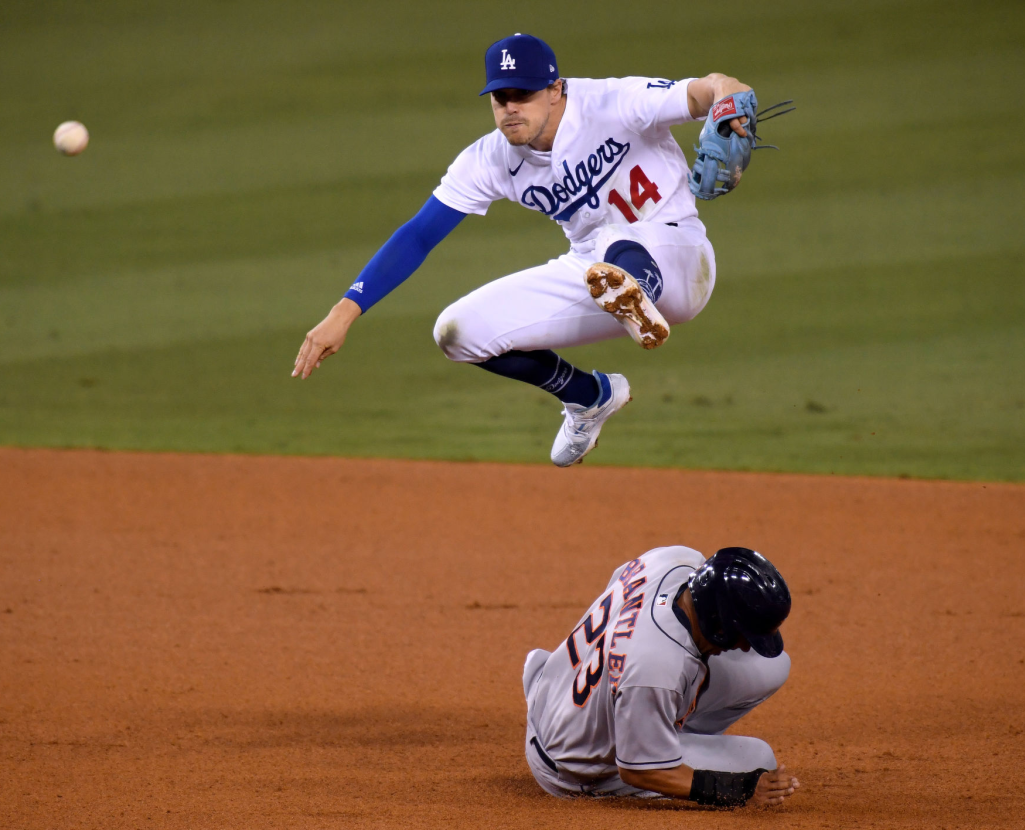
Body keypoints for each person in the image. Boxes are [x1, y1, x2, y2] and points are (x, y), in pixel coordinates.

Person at [293, 33, 759, 466]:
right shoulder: (490, 158)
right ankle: (588, 395)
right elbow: (418, 234)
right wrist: (345, 311)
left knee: (617, 236)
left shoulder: (614, 102)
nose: (510, 108)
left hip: (679, 255)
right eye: (501, 98)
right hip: (596, 273)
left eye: (523, 95)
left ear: (555, 89)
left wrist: (726, 99)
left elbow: (714, 87)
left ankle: (637, 291)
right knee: (458, 332)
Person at [522, 545, 800, 808]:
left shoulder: (677, 560)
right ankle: (649, 738)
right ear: (717, 622)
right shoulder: (656, 666)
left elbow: (617, 584)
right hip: (569, 761)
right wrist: (738, 788)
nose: (746, 646)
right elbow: (643, 771)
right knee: (758, 758)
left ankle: (655, 729)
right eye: (743, 635)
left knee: (773, 667)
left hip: (559, 687)